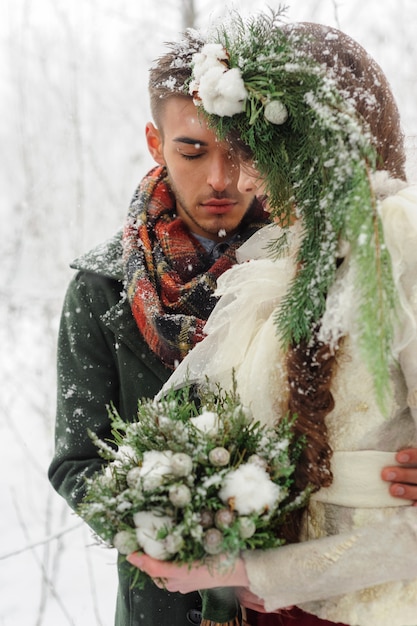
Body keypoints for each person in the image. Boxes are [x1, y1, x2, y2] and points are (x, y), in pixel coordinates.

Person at [48, 16, 417, 626]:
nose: (226, 180)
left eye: (241, 153)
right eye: (193, 151)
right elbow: (79, 460)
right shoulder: (103, 287)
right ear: (155, 143)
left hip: (326, 596)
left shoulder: (311, 250)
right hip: (175, 604)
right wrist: (170, 525)